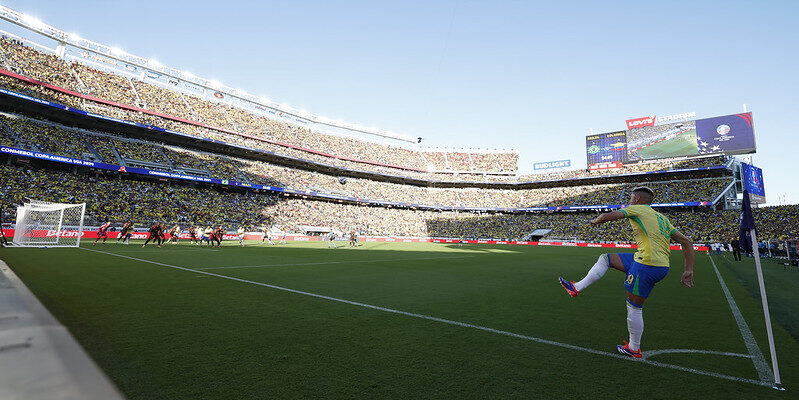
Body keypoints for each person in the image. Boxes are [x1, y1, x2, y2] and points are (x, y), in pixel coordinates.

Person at [558, 186, 695, 358]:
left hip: (647, 265)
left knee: (634, 308)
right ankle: (576, 287)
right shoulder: (662, 218)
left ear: (637, 199)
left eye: (631, 197)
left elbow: (607, 216)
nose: (629, 200)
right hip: (653, 262)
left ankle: (634, 348)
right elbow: (687, 242)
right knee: (606, 258)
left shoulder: (635, 208)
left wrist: (595, 221)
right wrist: (688, 269)